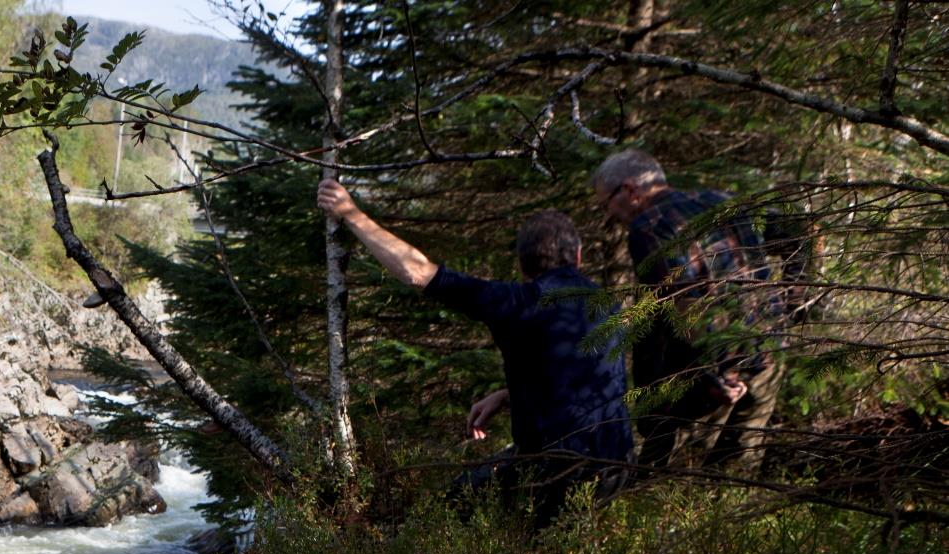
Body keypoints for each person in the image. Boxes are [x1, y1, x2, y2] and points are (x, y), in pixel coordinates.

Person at [315, 178, 632, 525]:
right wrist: (507, 395)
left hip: (555, 474)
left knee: (446, 513)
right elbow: (576, 376)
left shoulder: (517, 302)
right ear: (578, 257)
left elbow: (417, 272)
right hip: (618, 465)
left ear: (523, 265)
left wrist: (350, 213)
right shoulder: (610, 305)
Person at [592, 148, 806, 476]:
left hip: (708, 377)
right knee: (736, 478)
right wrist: (794, 300)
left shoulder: (648, 228)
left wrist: (711, 377)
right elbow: (799, 229)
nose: (610, 216)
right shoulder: (722, 201)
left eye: (607, 203)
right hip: (767, 354)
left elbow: (684, 306)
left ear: (630, 191)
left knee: (672, 486)